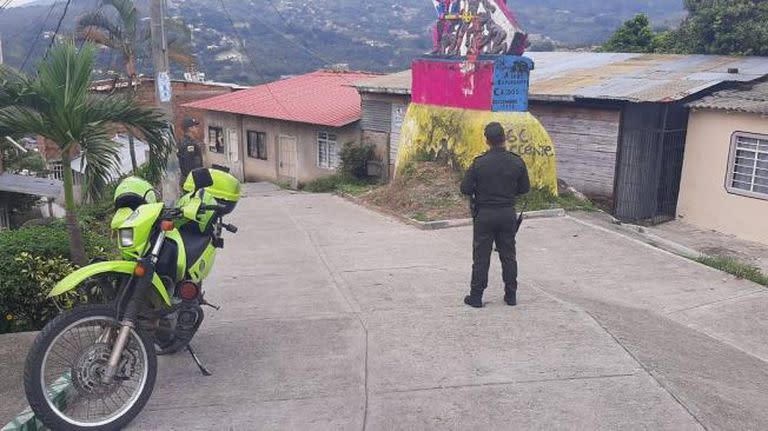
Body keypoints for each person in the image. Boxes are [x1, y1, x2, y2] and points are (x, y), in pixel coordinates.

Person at [460, 122, 530, 308]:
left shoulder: (479, 163)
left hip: (484, 215)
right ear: (504, 138)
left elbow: (465, 188)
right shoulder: (517, 161)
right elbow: (525, 188)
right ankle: (511, 296)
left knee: (481, 257)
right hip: (507, 213)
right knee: (508, 255)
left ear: (487, 140)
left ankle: (476, 297)